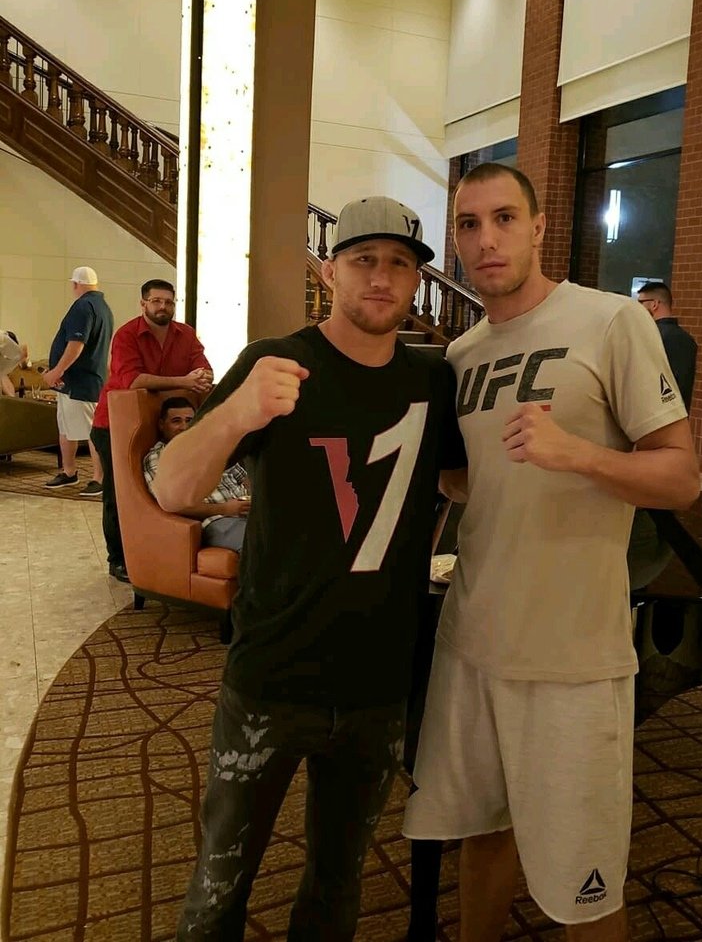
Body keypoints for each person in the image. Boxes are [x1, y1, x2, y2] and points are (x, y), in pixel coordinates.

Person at [151, 196, 466, 941]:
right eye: (364, 260)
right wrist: (239, 412)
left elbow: (462, 482)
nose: (382, 278)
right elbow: (172, 488)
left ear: (417, 281)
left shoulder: (433, 380)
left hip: (378, 684)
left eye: (400, 264)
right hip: (273, 674)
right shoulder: (276, 360)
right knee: (219, 885)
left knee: (337, 885)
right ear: (330, 273)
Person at [403, 163, 701, 942]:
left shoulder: (610, 321)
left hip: (572, 657)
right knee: (482, 834)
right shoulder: (462, 354)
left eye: (505, 218)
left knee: (584, 888)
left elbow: (680, 477)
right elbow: (475, 481)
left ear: (538, 227)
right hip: (473, 642)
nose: (487, 238)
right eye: (469, 224)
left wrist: (578, 454)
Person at [90, 279, 213, 584]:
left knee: (161, 490)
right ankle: (119, 559)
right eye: (156, 301)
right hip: (116, 426)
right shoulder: (126, 335)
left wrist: (202, 376)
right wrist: (184, 381)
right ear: (143, 304)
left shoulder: (185, 334)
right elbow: (132, 381)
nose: (163, 307)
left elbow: (203, 369)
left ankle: (159, 552)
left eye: (168, 302)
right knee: (122, 493)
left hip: (165, 423)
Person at [143, 397, 250, 552]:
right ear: (161, 425)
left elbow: (244, 478)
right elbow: (172, 505)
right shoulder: (159, 458)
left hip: (247, 512)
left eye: (189, 420)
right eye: (176, 421)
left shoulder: (210, 446)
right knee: (259, 545)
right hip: (218, 520)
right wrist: (225, 509)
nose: (184, 427)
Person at [41, 267, 114, 497]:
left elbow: (76, 344)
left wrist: (56, 371)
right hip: (81, 380)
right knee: (66, 427)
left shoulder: (83, 307)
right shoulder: (103, 307)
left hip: (80, 382)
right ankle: (69, 471)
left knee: (93, 431)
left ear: (75, 284)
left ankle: (99, 478)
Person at [636, 281, 698, 412]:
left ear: (654, 304)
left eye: (640, 303)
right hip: (678, 413)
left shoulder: (650, 337)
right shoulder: (687, 339)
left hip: (652, 413)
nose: (638, 308)